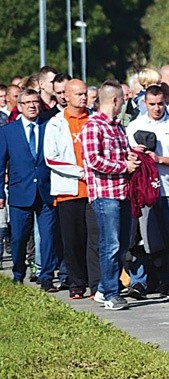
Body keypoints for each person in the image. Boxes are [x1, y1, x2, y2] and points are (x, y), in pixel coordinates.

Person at [81, 82, 140, 310]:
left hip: (122, 193)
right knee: (110, 243)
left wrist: (133, 160)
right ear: (114, 101)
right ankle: (111, 294)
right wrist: (123, 166)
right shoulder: (93, 126)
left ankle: (105, 289)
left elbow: (124, 152)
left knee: (122, 243)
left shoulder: (116, 127)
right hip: (105, 194)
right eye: (122, 101)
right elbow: (94, 160)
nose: (123, 105)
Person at [126, 85, 169, 299]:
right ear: (145, 104)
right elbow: (128, 158)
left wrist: (159, 159)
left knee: (167, 239)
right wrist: (135, 155)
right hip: (142, 191)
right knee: (140, 238)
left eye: (161, 104)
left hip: (167, 189)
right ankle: (138, 282)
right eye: (152, 104)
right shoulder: (134, 126)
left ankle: (168, 281)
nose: (157, 108)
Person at [44, 79, 100, 299]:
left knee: (93, 239)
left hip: (93, 190)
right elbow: (51, 157)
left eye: (85, 93)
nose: (83, 98)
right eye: (78, 94)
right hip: (68, 190)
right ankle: (76, 282)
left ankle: (96, 283)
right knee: (72, 240)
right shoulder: (56, 123)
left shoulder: (95, 119)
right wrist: (79, 171)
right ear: (65, 96)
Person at [0, 89, 59, 291]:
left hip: (46, 191)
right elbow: (1, 164)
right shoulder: (8, 131)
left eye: (35, 102)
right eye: (28, 102)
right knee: (18, 238)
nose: (32, 106)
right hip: (20, 193)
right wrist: (0, 192)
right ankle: (18, 273)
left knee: (48, 235)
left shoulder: (49, 126)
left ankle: (47, 276)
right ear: (20, 106)